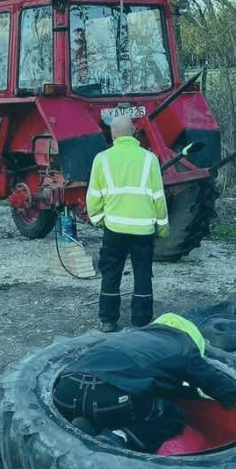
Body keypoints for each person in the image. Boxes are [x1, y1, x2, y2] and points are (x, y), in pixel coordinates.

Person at [53, 314, 236, 452]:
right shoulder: (185, 347)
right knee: (172, 416)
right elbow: (222, 388)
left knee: (119, 405)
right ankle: (117, 439)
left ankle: (86, 427)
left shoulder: (133, 337)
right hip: (110, 397)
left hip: (66, 390)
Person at [87, 115, 169, 332]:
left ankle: (108, 320)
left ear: (113, 134)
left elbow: (93, 197)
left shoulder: (101, 159)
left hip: (114, 228)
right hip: (143, 228)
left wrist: (98, 220)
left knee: (111, 272)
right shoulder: (149, 159)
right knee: (142, 272)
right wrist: (162, 226)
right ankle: (141, 320)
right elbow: (158, 197)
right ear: (134, 132)